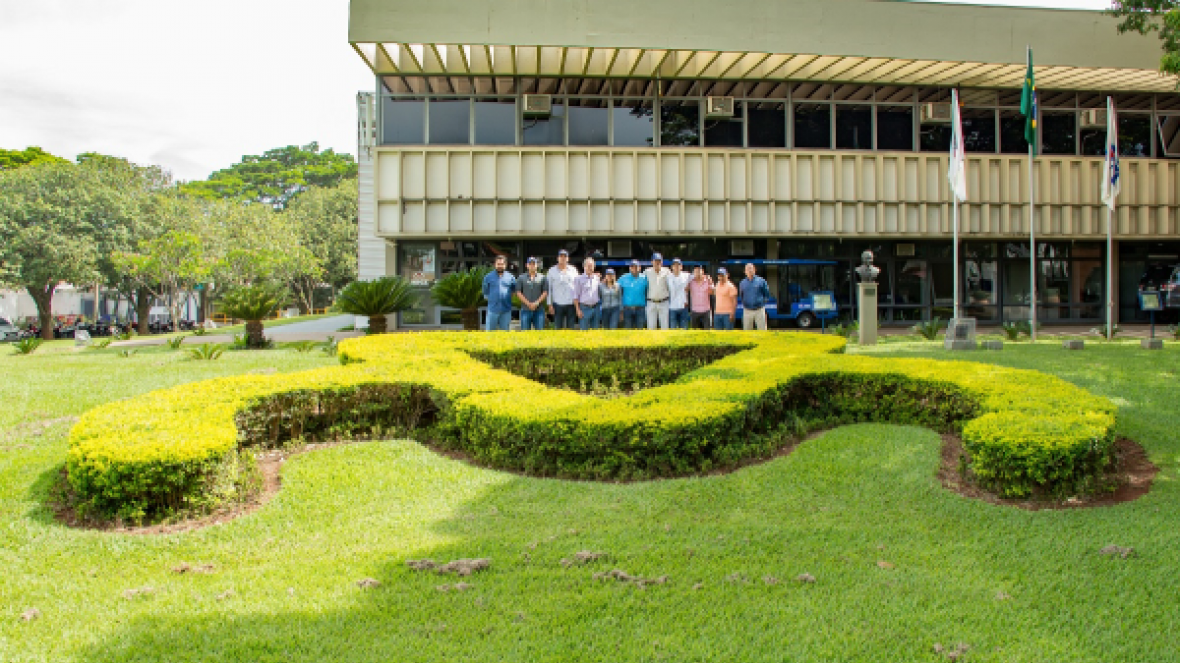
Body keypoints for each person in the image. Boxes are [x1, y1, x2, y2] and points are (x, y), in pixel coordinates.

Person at [546, 249, 579, 330]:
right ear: (557, 258)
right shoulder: (551, 271)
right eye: (561, 256)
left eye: (565, 256)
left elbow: (578, 287)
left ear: (568, 259)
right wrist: (549, 305)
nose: (563, 258)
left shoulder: (573, 270)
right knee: (558, 329)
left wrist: (578, 304)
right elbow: (548, 289)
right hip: (557, 304)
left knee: (571, 329)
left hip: (571, 304)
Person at [481, 255, 516, 331]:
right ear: (495, 265)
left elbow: (513, 291)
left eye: (502, 264)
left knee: (505, 334)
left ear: (505, 265)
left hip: (506, 310)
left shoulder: (511, 277)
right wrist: (493, 300)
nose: (500, 266)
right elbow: (485, 292)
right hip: (492, 310)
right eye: (498, 264)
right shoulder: (488, 277)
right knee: (489, 334)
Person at [515, 257, 547, 331]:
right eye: (530, 264)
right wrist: (528, 304)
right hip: (525, 309)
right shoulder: (521, 278)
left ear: (537, 265)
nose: (532, 265)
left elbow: (545, 292)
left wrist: (536, 303)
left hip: (539, 310)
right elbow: (518, 292)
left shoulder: (543, 278)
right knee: (525, 334)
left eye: (534, 264)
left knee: (539, 333)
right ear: (527, 265)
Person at [644, 253, 672, 330]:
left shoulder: (667, 271)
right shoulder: (646, 272)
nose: (657, 263)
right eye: (655, 261)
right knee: (651, 327)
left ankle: (664, 342)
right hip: (651, 302)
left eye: (659, 261)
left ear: (662, 262)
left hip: (664, 301)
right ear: (651, 262)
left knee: (664, 327)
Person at [739, 262, 771, 331]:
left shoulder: (761, 281)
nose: (749, 270)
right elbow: (741, 295)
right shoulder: (742, 283)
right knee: (747, 332)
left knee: (762, 331)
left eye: (751, 268)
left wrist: (761, 304)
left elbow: (767, 295)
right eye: (747, 269)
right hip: (747, 311)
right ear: (745, 272)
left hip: (759, 310)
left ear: (755, 270)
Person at [573, 257, 602, 330]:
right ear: (584, 267)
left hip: (596, 308)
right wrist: (578, 310)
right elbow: (575, 295)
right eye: (588, 266)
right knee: (584, 331)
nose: (590, 268)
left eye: (592, 266)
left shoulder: (597, 278)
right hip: (584, 308)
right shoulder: (578, 279)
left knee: (595, 331)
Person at [618, 260, 648, 329]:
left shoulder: (644, 278)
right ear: (629, 268)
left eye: (636, 267)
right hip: (627, 309)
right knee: (628, 332)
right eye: (632, 267)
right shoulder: (623, 278)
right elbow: (613, 286)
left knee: (640, 332)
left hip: (640, 310)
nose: (634, 269)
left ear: (639, 268)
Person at [667, 258, 693, 329]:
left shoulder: (687, 275)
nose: (676, 267)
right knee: (673, 330)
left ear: (681, 267)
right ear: (672, 267)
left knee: (684, 330)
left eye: (678, 265)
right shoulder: (668, 277)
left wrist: (708, 278)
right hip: (672, 307)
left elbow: (698, 277)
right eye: (674, 265)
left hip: (683, 307)